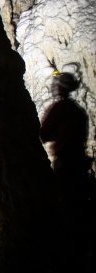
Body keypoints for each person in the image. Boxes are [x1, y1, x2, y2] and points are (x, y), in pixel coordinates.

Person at [40, 70, 94, 268]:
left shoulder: (60, 108)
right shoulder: (79, 111)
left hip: (65, 164)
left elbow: (43, 134)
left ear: (62, 88)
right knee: (79, 207)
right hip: (80, 163)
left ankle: (70, 256)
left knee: (65, 207)